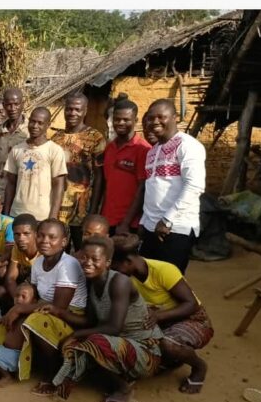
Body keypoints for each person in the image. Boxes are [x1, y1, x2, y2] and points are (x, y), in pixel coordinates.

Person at [51, 236, 163, 402]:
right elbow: (91, 321)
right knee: (73, 346)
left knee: (93, 341)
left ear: (108, 262)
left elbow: (113, 328)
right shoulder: (92, 282)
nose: (88, 263)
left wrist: (75, 335)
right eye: (84, 258)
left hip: (145, 351)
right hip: (119, 345)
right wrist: (60, 313)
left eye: (95, 259)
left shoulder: (120, 282)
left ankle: (125, 390)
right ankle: (113, 376)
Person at [0, 219, 87, 393]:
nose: (45, 241)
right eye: (41, 236)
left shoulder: (68, 265)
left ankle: (54, 374)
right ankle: (5, 364)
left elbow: (59, 306)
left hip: (69, 315)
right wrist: (18, 307)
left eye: (52, 237)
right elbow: (35, 293)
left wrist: (19, 308)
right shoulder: (38, 263)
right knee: (3, 324)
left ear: (64, 242)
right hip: (45, 309)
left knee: (34, 321)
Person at [112, 233, 214, 394]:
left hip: (192, 320)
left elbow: (191, 304)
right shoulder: (127, 278)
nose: (114, 271)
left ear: (128, 262)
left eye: (115, 267)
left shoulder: (164, 270)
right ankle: (172, 359)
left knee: (169, 344)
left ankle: (199, 367)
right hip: (159, 322)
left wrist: (159, 316)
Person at [139, 99, 206, 274]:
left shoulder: (188, 145)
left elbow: (195, 185)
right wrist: (144, 222)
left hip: (175, 228)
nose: (155, 122)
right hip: (152, 226)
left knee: (170, 284)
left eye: (162, 117)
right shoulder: (153, 151)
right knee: (149, 281)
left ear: (175, 118)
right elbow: (152, 188)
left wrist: (167, 219)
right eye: (151, 118)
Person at [52, 92, 107, 250]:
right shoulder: (56, 138)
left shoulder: (96, 138)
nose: (72, 113)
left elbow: (99, 177)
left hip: (82, 208)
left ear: (85, 111)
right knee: (58, 252)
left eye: (77, 109)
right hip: (58, 208)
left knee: (83, 252)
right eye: (69, 109)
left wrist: (93, 209)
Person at [2, 107, 67, 221]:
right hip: (16, 213)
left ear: (48, 125)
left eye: (40, 123)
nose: (35, 126)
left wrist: (52, 217)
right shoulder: (17, 150)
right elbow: (11, 184)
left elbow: (58, 185)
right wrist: (6, 214)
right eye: (32, 121)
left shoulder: (54, 150)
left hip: (42, 216)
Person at [99, 97, 151, 236]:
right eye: (117, 119)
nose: (120, 123)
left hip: (128, 223)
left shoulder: (142, 149)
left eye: (126, 120)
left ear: (136, 120)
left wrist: (126, 223)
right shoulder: (110, 147)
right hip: (107, 219)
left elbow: (142, 188)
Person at [0, 281, 35, 381]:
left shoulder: (29, 318)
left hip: (16, 354)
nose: (18, 299)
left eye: (24, 297)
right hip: (5, 350)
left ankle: (7, 376)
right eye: (16, 296)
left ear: (33, 301)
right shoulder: (12, 314)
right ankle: (0, 372)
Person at [0, 88, 27, 197]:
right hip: (1, 192)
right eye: (8, 105)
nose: (12, 108)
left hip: (22, 193)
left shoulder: (31, 130)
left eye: (16, 104)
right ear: (4, 105)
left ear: (23, 104)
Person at [4, 213, 40, 289]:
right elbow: (10, 278)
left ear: (36, 234)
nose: (21, 238)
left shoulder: (43, 251)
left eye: (26, 233)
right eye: (17, 234)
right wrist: (16, 298)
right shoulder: (17, 248)